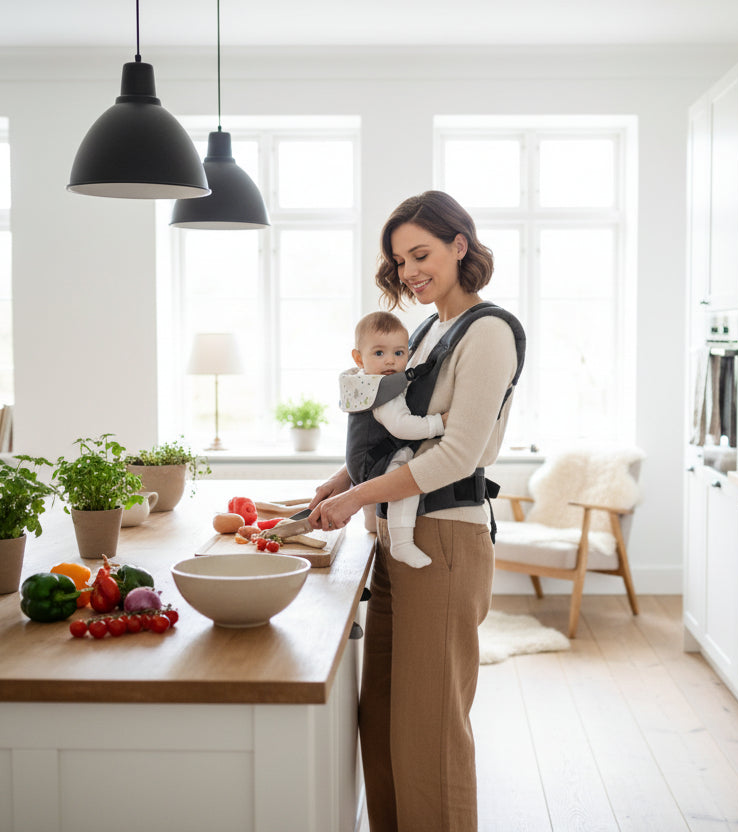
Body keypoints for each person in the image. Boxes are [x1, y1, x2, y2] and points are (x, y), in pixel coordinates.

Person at [308, 190, 524, 832]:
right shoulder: (428, 330)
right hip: (397, 540)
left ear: (461, 245)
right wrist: (339, 480)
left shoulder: (487, 332)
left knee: (429, 732)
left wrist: (355, 499)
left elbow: (456, 454)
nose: (410, 272)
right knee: (386, 721)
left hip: (444, 544)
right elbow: (398, 438)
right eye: (400, 260)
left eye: (421, 254)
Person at [340, 310, 448, 567]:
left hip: (361, 460)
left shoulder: (363, 383)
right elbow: (401, 426)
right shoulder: (383, 391)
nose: (390, 361)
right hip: (376, 460)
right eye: (379, 353)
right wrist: (437, 424)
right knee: (406, 481)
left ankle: (370, 523)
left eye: (398, 353)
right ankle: (402, 543)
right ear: (358, 357)